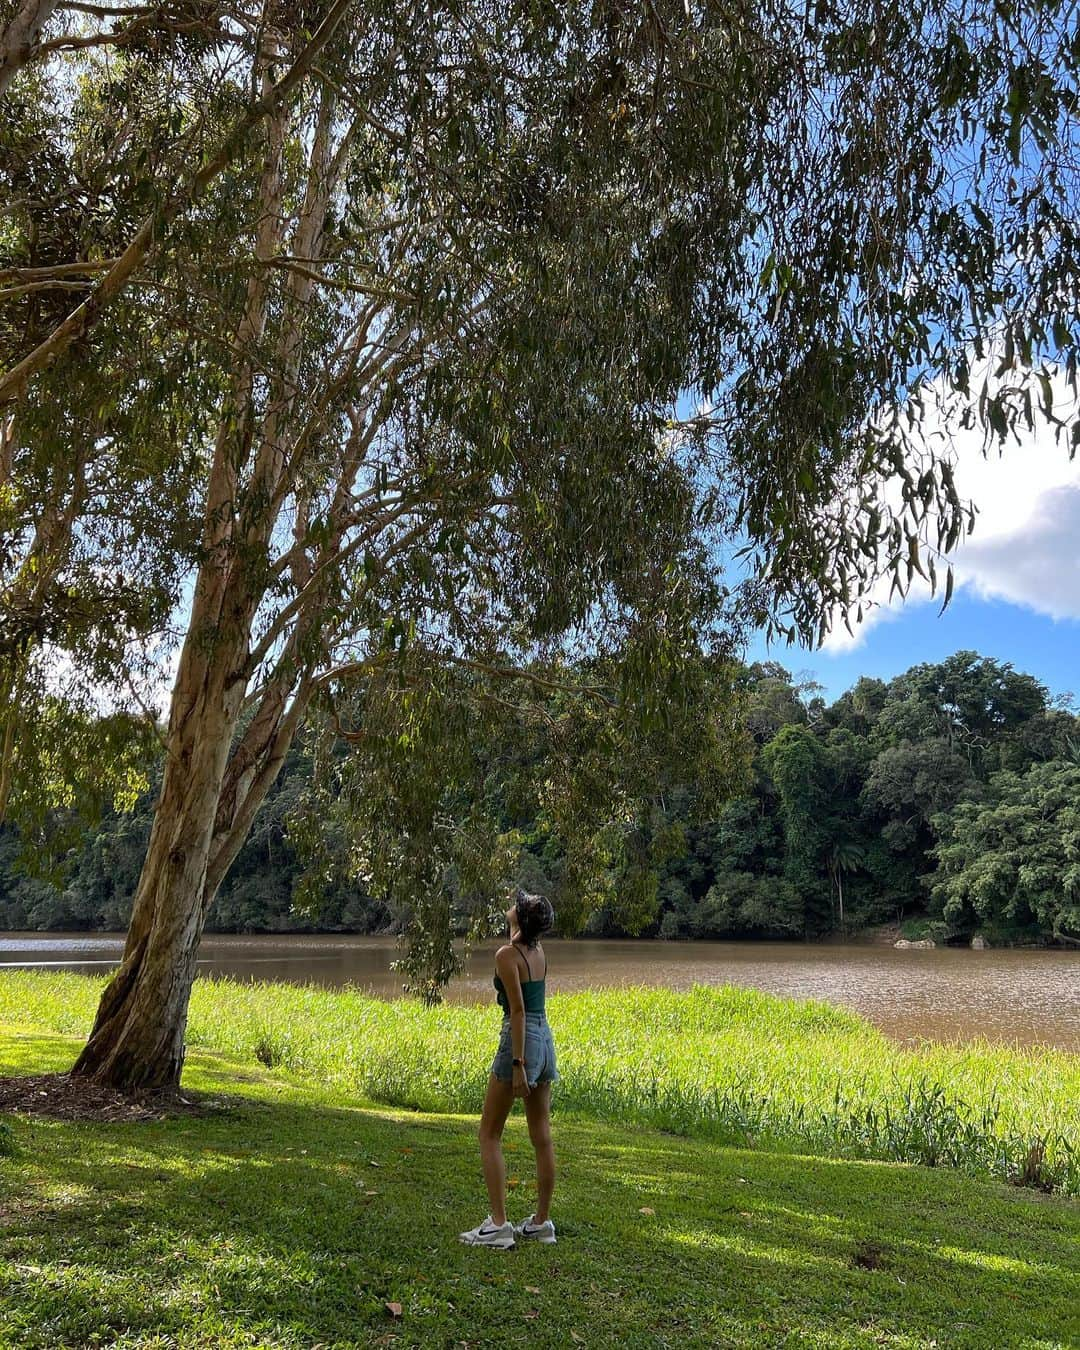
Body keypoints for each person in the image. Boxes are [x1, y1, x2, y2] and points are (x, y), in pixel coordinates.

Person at [459, 888, 558, 1248]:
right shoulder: (537, 952)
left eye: (516, 905)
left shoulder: (506, 956)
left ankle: (499, 1225)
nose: (511, 906)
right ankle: (541, 1222)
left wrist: (517, 1064)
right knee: (541, 1135)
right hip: (545, 1038)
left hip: (521, 1040)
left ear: (520, 917)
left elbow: (516, 1011)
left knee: (489, 1133)